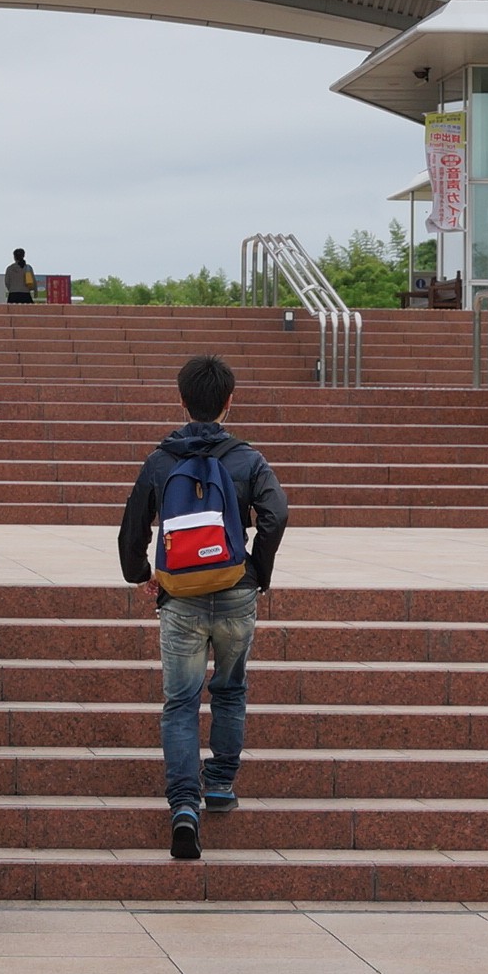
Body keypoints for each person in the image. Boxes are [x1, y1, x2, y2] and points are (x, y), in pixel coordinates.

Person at [115, 354, 287, 861]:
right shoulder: (248, 459)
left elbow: (131, 529)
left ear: (182, 400)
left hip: (181, 596)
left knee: (180, 702)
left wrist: (142, 575)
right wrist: (257, 571)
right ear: (229, 402)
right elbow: (276, 514)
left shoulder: (160, 459)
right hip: (236, 591)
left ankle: (184, 807)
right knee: (230, 690)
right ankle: (220, 785)